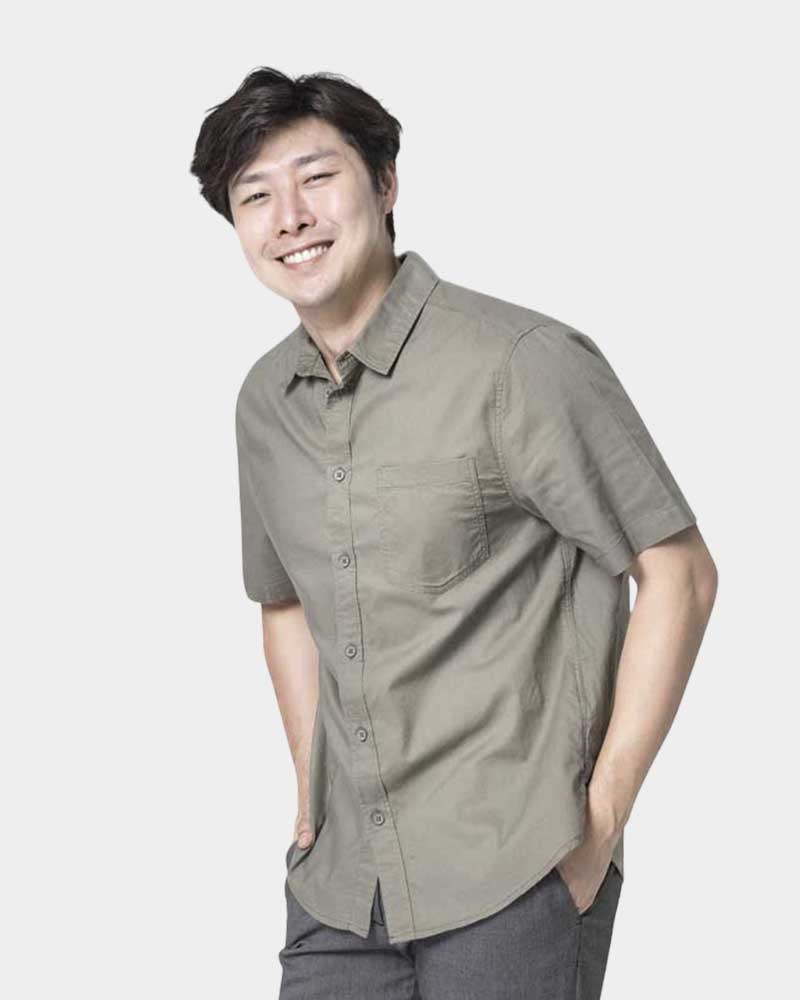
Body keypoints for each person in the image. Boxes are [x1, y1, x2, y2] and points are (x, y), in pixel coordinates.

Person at [190, 67, 718, 1000]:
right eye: (256, 196)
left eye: (318, 178)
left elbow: (679, 572)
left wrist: (601, 822)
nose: (290, 217)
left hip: (514, 873)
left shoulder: (519, 363)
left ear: (385, 184)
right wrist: (312, 794)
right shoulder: (263, 405)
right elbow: (283, 604)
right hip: (342, 886)